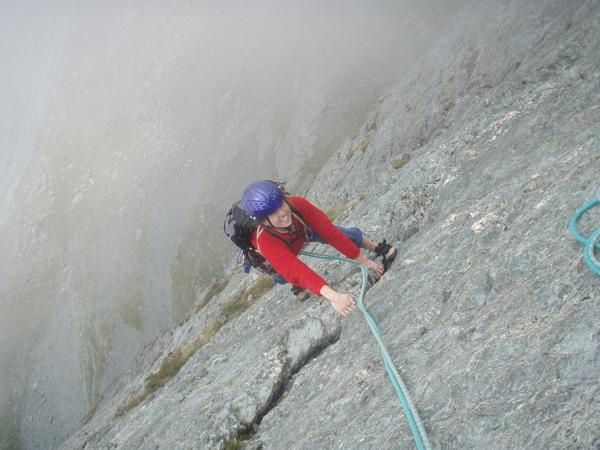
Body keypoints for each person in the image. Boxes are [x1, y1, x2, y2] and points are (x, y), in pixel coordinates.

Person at [241, 180, 397, 317]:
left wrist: (363, 260)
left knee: (344, 234)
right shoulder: (264, 241)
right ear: (265, 222)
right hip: (279, 249)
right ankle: (298, 285)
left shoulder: (298, 205)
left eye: (281, 204)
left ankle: (376, 246)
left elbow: (330, 233)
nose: (282, 212)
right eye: (273, 212)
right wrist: (334, 297)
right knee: (283, 275)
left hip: (301, 230)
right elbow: (294, 269)